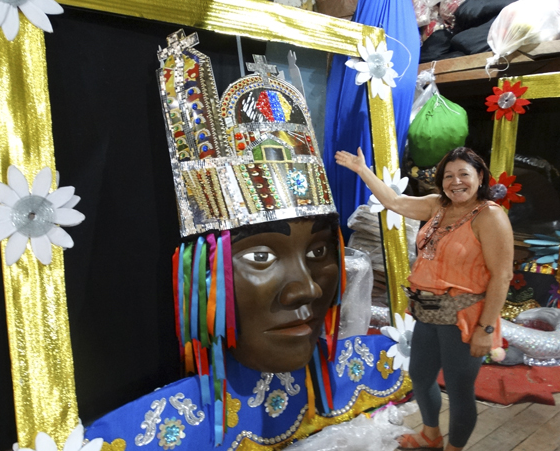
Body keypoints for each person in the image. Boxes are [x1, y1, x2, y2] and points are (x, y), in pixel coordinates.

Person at [82, 30, 411, 450]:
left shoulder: (371, 372)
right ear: (200, 274)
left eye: (319, 251)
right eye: (260, 255)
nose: (308, 288)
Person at [335, 146, 513, 451]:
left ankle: (454, 447)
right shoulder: (436, 206)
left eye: (464, 174)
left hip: (465, 317)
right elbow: (394, 201)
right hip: (427, 312)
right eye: (449, 175)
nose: (456, 182)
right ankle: (431, 436)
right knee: (419, 375)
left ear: (480, 177)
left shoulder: (490, 216)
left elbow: (502, 276)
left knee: (458, 390)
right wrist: (362, 170)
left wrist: (485, 330)